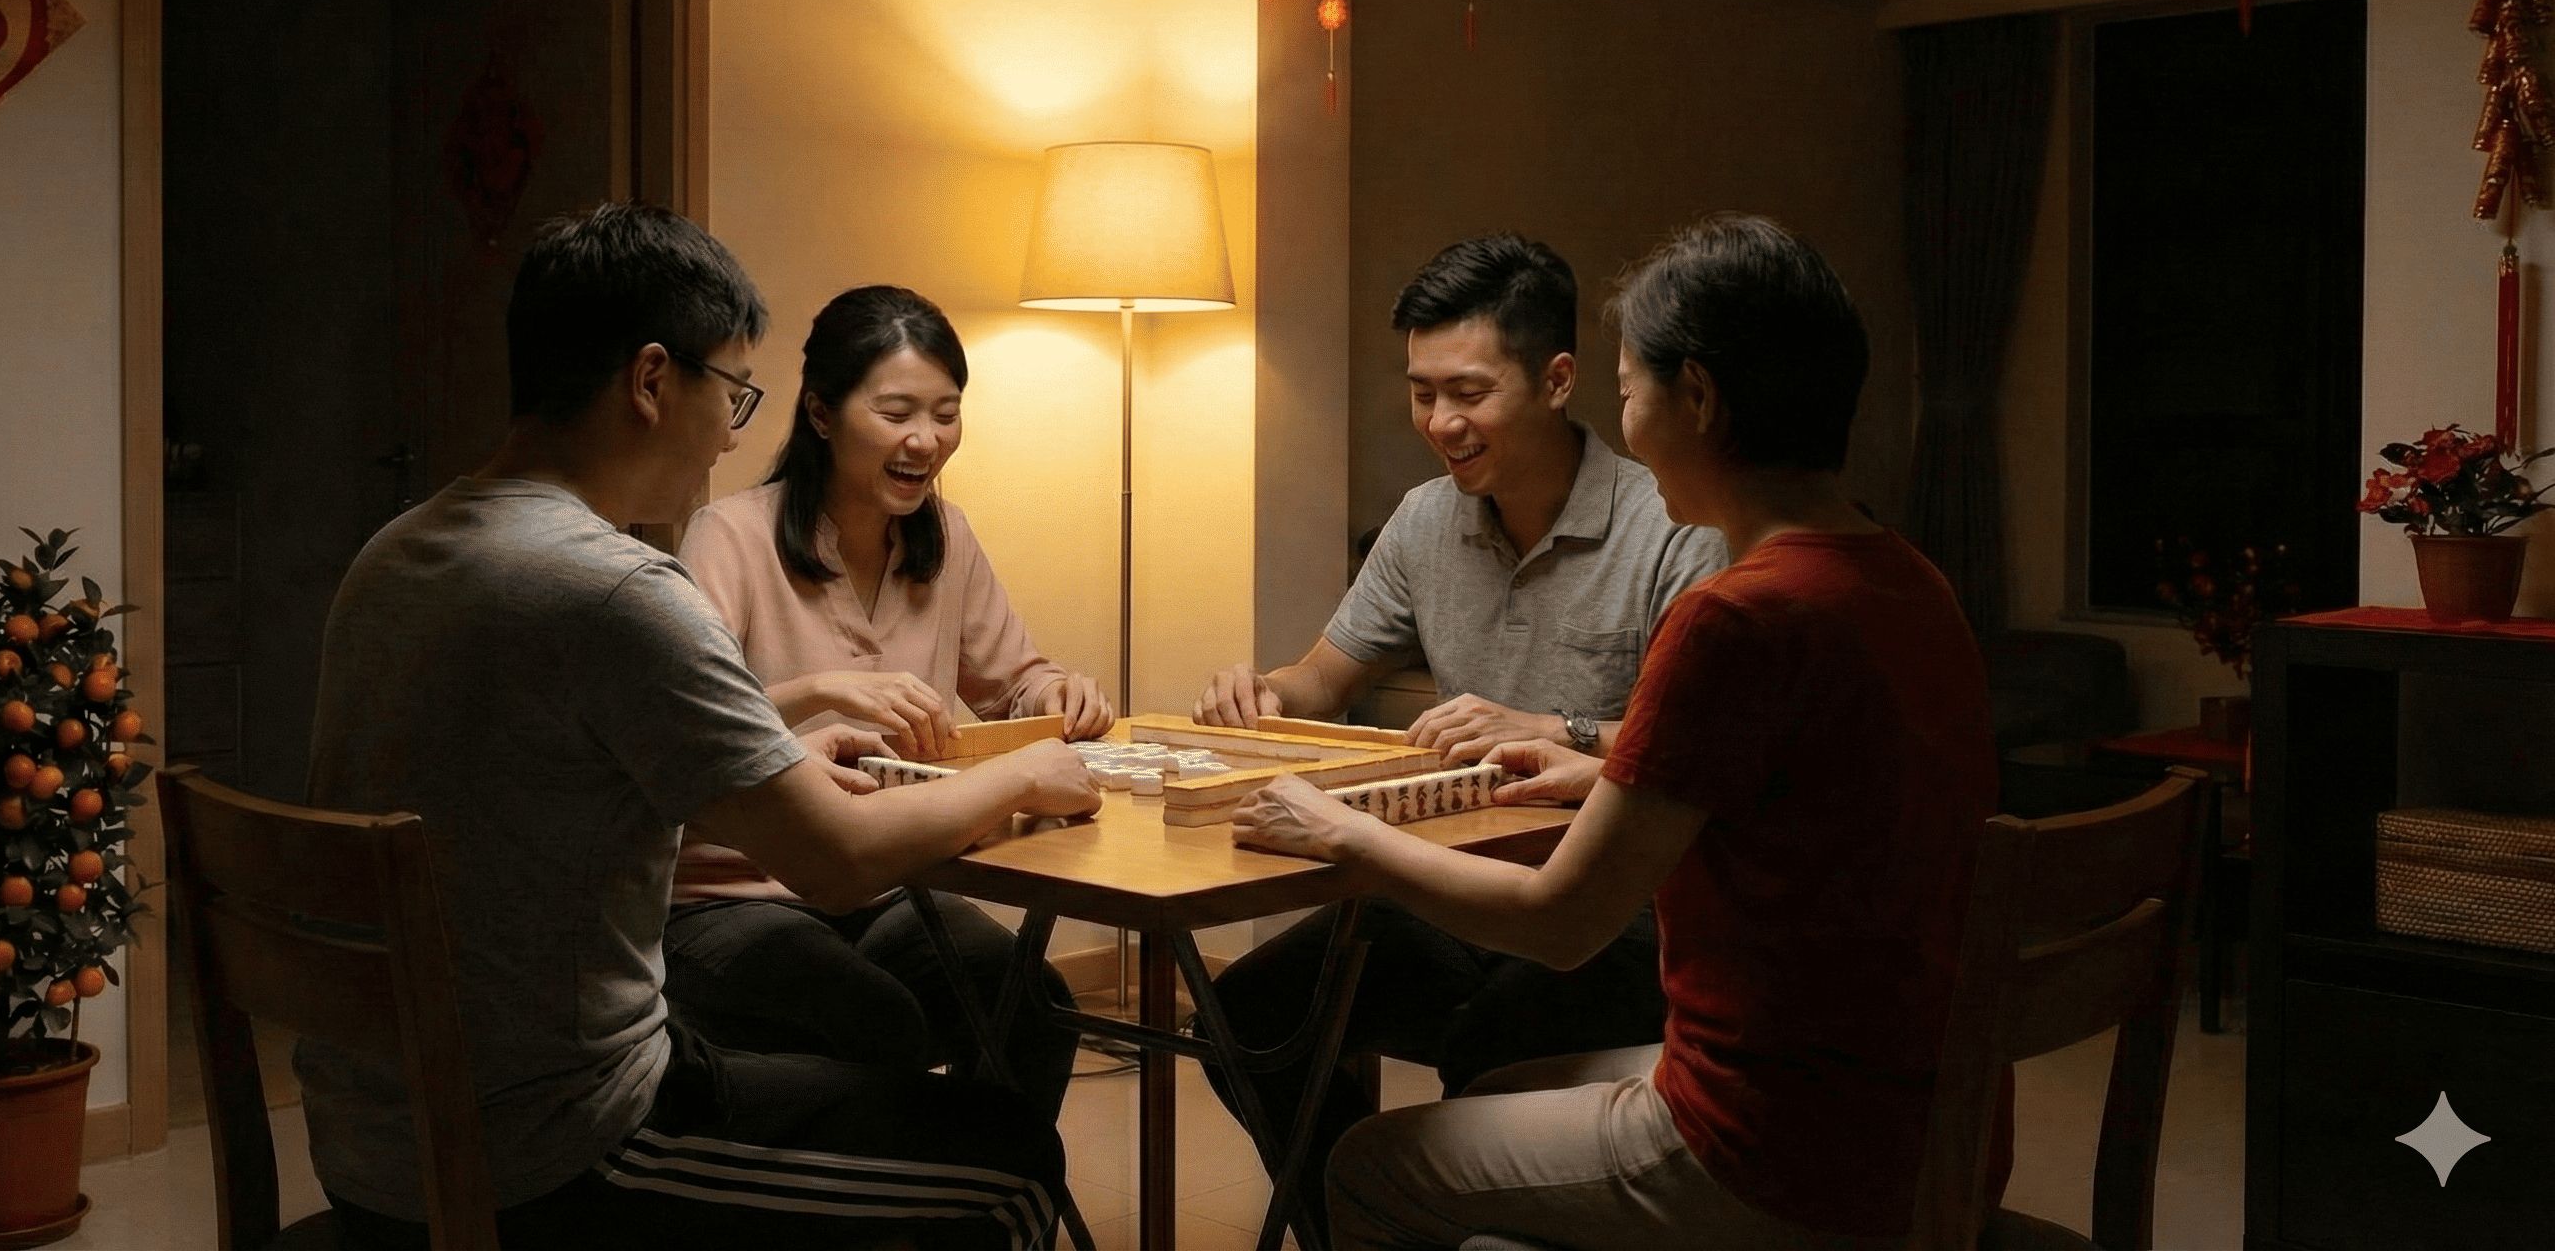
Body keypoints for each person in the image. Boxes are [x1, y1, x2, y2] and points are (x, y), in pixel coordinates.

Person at [298, 203, 1100, 1251]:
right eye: (730, 392)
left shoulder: (395, 552)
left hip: (374, 1135)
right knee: (1007, 1163)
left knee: (963, 1034)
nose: (731, 432)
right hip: (562, 1142)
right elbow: (837, 863)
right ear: (649, 381)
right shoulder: (616, 589)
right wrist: (1024, 775)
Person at [1233, 214, 2003, 1250]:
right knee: (1489, 1085)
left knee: (1365, 1171)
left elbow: (1562, 924)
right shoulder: (1911, 581)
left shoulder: (1735, 613)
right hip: (1907, 1108)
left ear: (1696, 399)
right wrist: (1594, 765)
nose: (1624, 414)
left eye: (1632, 385)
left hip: (1767, 1139)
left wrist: (1340, 833)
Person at [1188, 234, 1725, 1234]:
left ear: (1557, 379)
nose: (1440, 422)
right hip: (1460, 884)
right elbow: (1320, 676)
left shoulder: (1673, 519)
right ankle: (1364, 1227)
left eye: (1468, 393)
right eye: (1419, 392)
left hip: (1617, 897)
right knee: (1248, 1015)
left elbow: (1699, 751)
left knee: (1493, 1045)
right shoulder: (1424, 520)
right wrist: (1259, 692)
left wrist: (1554, 725)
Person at [668, 284, 1105, 1119]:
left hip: (889, 883)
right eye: (897, 411)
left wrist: (1062, 693)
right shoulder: (731, 536)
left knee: (1035, 1009)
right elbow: (688, 735)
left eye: (946, 413)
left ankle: (979, 1210)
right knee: (879, 1025)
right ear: (823, 414)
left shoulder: (947, 535)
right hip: (728, 897)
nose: (925, 440)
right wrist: (817, 690)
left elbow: (1014, 681)